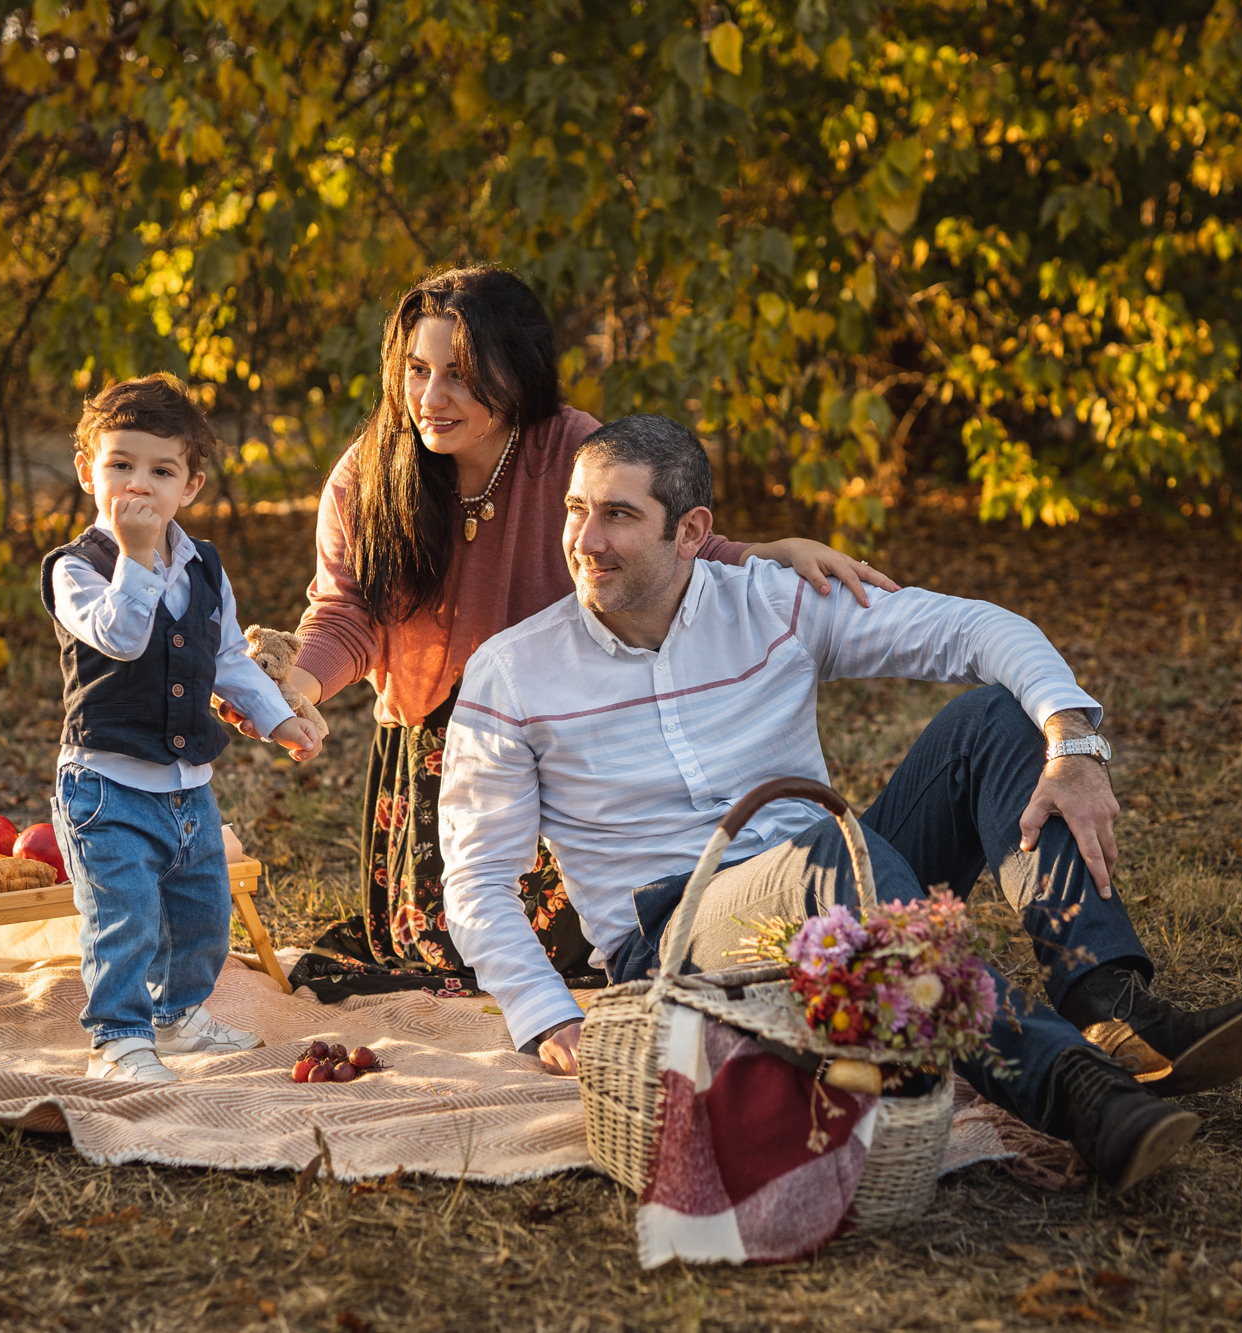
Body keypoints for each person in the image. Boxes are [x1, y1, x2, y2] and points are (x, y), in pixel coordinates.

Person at [439, 415, 1242, 1192]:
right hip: (676, 938)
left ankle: (1109, 1002)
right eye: (575, 510)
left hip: (833, 869)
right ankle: (1073, 1091)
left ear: (692, 531)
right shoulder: (514, 672)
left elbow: (974, 628)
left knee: (992, 718)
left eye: (618, 515)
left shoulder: (771, 603)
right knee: (827, 858)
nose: (584, 540)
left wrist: (1071, 740)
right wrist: (550, 1018)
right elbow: (476, 874)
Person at [234, 267, 896, 999]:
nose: (430, 397)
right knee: (441, 940)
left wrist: (767, 554)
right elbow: (347, 612)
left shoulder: (570, 450)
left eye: (460, 375)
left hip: (570, 726)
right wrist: (294, 685)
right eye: (417, 370)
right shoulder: (367, 476)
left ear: (515, 372)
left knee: (592, 931)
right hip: (441, 751)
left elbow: (667, 543)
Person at [42, 375, 325, 1083]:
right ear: (88, 471)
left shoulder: (204, 567)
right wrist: (135, 559)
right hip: (105, 785)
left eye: (160, 471)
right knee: (125, 916)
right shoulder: (76, 569)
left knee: (202, 914)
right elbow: (120, 635)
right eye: (121, 465)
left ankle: (177, 1017)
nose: (139, 484)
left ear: (190, 485)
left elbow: (226, 655)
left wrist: (279, 715)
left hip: (187, 786)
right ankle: (120, 1037)